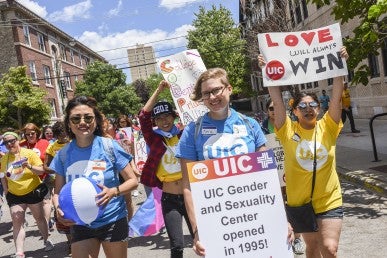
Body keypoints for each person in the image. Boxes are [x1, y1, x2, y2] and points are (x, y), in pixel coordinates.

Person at [175, 68, 292, 256]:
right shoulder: (192, 131)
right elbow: (187, 185)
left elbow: (268, 177)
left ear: (229, 89)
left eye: (216, 90)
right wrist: (197, 230)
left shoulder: (250, 125)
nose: (212, 97)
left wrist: (281, 219)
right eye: (206, 94)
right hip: (217, 222)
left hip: (255, 216)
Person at [259, 46, 348, 257]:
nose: (308, 108)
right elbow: (277, 101)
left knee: (330, 248)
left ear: (318, 108)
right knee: (313, 248)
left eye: (313, 105)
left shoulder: (328, 126)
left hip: (329, 199)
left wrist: (340, 69)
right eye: (302, 106)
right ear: (295, 111)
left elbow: (336, 98)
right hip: (300, 203)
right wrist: (267, 72)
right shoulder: (287, 129)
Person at [49, 96, 138, 258]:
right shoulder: (62, 155)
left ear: (95, 121)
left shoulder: (109, 146)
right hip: (80, 222)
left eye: (88, 117)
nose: (82, 122)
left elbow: (133, 181)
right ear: (69, 123)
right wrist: (58, 209)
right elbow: (57, 192)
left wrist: (113, 191)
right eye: (76, 118)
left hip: (112, 219)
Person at [138, 81, 194, 258]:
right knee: (177, 245)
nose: (164, 121)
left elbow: (193, 113)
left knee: (201, 238)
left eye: (167, 116)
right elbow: (143, 116)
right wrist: (158, 90)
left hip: (191, 195)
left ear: (174, 116)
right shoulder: (154, 139)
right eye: (159, 118)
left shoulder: (185, 134)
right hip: (169, 200)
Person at [0, 131, 54, 258]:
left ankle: (46, 239)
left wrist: (28, 166)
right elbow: (3, 176)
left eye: (12, 141)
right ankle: (19, 252)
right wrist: (6, 191)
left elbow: (41, 171)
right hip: (14, 194)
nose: (9, 144)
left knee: (39, 218)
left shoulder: (29, 153)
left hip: (32, 191)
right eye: (6, 142)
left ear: (18, 140)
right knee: (16, 219)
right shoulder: (4, 159)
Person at [43, 121, 71, 253]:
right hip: (60, 183)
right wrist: (59, 169)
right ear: (56, 135)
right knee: (63, 210)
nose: (63, 136)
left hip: (75, 180)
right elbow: (46, 167)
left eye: (65, 132)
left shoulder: (74, 142)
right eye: (60, 133)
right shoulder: (52, 147)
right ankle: (71, 241)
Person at [19, 123, 53, 231]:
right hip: (30, 179)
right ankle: (44, 221)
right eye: (27, 134)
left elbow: (51, 159)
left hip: (45, 175)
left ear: (37, 133)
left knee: (46, 201)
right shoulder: (21, 145)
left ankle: (46, 225)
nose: (30, 136)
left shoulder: (45, 143)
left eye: (32, 133)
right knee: (37, 205)